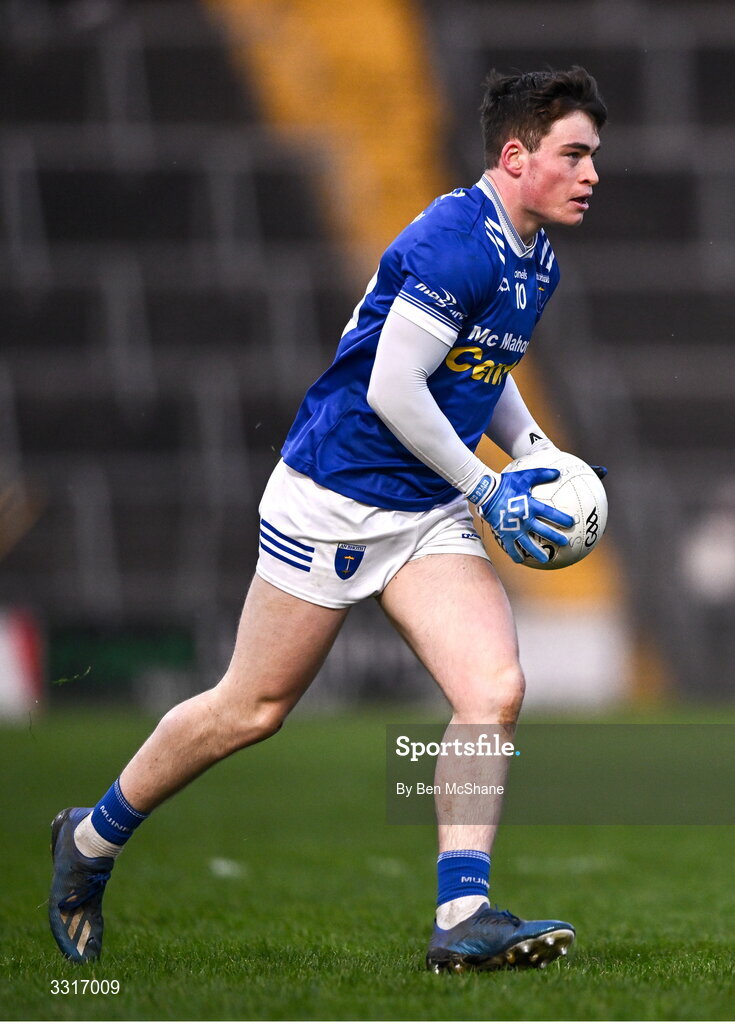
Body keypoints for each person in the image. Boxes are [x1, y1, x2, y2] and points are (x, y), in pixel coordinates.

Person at [48, 66, 607, 973]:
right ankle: (89, 839)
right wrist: (487, 487)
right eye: (573, 154)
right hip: (335, 494)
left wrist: (535, 451)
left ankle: (461, 914)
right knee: (251, 708)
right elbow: (393, 389)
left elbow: (483, 367)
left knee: (492, 690)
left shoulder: (534, 256)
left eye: (592, 156)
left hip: (424, 505)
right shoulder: (453, 242)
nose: (590, 174)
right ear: (515, 156)